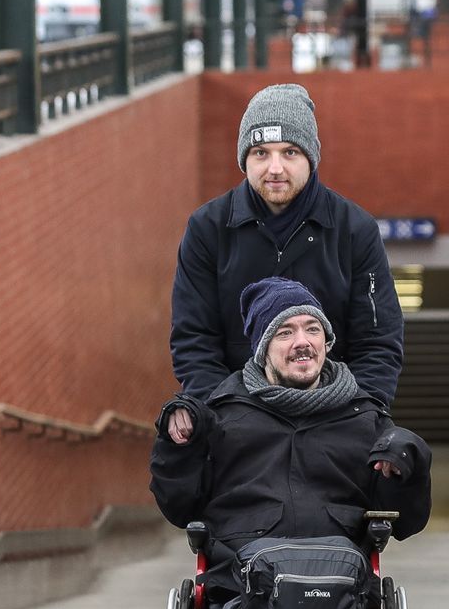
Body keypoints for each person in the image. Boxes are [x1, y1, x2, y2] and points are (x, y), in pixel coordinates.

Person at [152, 277, 431, 609]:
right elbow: (178, 503)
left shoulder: (362, 417)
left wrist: (406, 462)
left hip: (334, 579)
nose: (302, 340)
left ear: (327, 341)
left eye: (312, 329)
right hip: (244, 573)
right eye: (285, 331)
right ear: (262, 346)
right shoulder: (225, 414)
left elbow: (407, 520)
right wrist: (178, 442)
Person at [169, 82, 403, 441]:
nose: (274, 168)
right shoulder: (207, 229)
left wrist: (355, 418)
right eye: (261, 153)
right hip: (236, 429)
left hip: (333, 426)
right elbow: (194, 339)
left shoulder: (355, 230)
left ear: (310, 156)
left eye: (290, 152)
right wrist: (227, 416)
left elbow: (378, 342)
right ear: (244, 158)